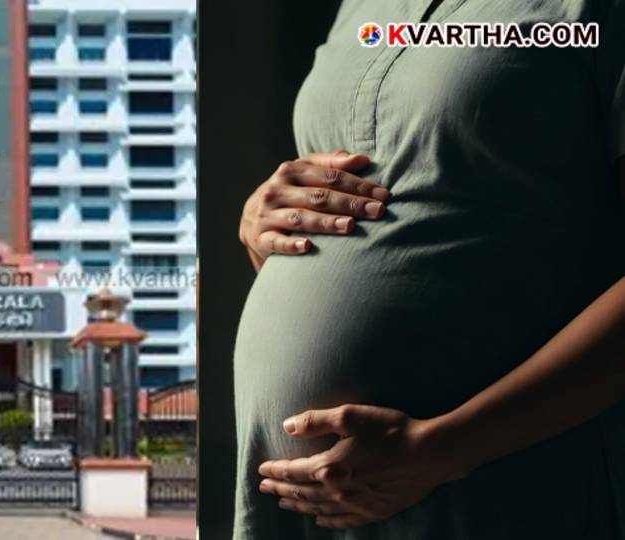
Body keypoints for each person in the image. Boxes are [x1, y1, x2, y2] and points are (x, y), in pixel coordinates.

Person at [232, 0, 625, 538]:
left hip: (495, 480)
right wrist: (264, 229)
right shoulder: (362, 9)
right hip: (307, 501)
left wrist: (445, 449)